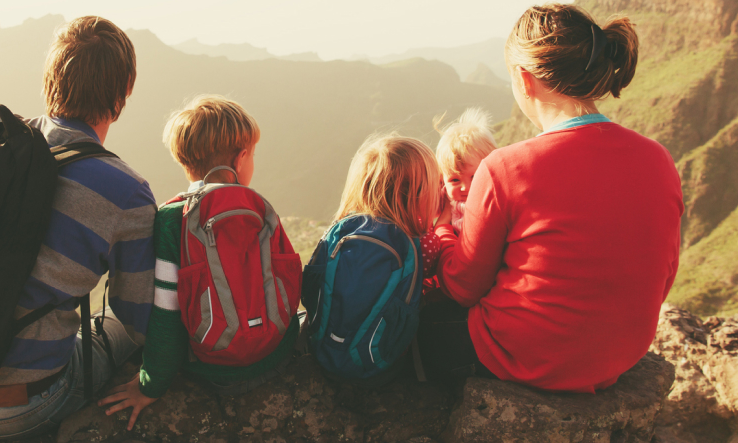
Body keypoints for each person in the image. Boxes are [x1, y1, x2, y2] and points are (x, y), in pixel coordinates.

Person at [0, 16, 156, 438]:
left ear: (50, 79)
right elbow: (138, 318)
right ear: (124, 91)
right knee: (113, 327)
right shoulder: (127, 192)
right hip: (20, 409)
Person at [421, 3, 682, 393]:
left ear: (524, 80)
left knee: (408, 324)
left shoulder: (505, 167)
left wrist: (442, 233)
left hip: (519, 356)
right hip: (618, 357)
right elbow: (662, 275)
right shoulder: (659, 159)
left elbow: (462, 287)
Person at [98, 95, 299, 430]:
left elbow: (166, 313)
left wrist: (151, 384)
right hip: (273, 358)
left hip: (213, 370)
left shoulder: (172, 218)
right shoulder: (260, 208)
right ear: (242, 157)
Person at [301, 134, 440, 384]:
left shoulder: (341, 230)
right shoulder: (423, 241)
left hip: (322, 352)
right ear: (418, 194)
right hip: (383, 365)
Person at [420, 108, 497, 297]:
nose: (465, 187)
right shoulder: (440, 200)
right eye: (454, 180)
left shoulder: (495, 201)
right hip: (445, 278)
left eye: (475, 176)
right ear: (442, 180)